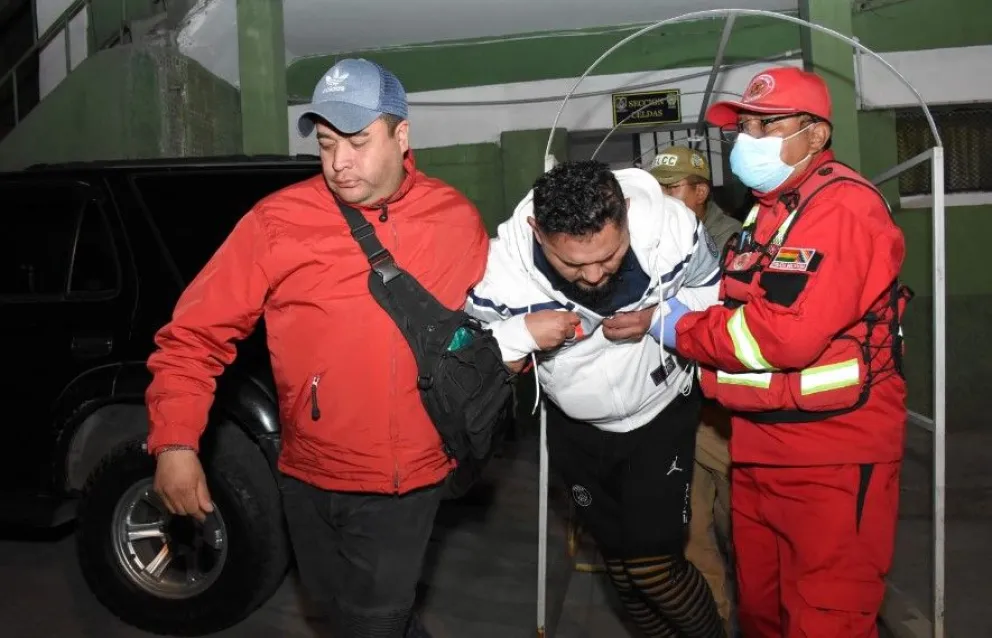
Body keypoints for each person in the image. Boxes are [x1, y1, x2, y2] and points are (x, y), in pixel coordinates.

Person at [145, 58, 489, 638]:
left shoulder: (455, 221)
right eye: (327, 144)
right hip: (307, 473)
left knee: (373, 621)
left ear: (401, 135)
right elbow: (194, 334)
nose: (339, 163)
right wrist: (175, 440)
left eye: (357, 141)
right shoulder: (278, 221)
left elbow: (497, 321)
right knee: (337, 613)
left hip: (406, 481)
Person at [659, 67, 911, 638]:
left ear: (816, 136)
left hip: (832, 454)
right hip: (759, 445)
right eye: (744, 127)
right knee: (766, 614)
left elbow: (781, 335)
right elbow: (739, 305)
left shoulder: (839, 208)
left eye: (768, 125)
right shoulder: (767, 213)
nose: (749, 140)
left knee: (827, 617)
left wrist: (681, 332)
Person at [466, 159, 727, 638]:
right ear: (536, 231)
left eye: (608, 256)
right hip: (577, 427)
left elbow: (712, 294)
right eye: (573, 263)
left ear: (626, 212)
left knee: (654, 567)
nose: (592, 275)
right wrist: (518, 333)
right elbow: (467, 353)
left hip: (661, 409)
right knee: (624, 571)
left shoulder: (671, 227)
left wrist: (659, 317)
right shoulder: (501, 274)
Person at [649, 146, 742, 634]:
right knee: (690, 538)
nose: (660, 199)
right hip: (676, 410)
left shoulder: (735, 243)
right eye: (654, 190)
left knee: (742, 533)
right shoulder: (649, 239)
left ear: (701, 191)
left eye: (671, 189)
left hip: (722, 411)